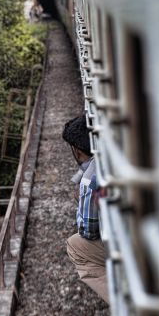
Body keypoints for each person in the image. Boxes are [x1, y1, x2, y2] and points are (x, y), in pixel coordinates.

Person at [62, 115, 108, 303]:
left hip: (125, 239)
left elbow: (88, 232)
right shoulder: (107, 154)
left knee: (75, 245)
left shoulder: (89, 180)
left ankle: (124, 303)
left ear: (77, 150)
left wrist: (81, 203)